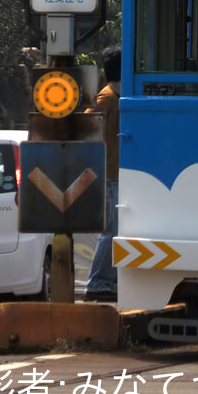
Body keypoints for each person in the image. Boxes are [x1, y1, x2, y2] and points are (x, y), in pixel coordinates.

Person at [85, 46, 121, 302]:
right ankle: (98, 283)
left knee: (116, 230)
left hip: (118, 174)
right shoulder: (106, 98)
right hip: (110, 175)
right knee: (110, 231)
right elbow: (87, 126)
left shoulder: (118, 97)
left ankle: (110, 281)